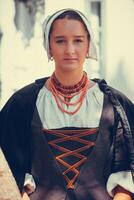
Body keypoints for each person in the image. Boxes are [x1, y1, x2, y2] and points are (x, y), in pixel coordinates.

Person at [0, 8, 134, 200]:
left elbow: (126, 175)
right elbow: (9, 173)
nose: (70, 50)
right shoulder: (23, 104)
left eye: (78, 40)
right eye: (60, 40)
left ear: (88, 45)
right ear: (49, 46)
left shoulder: (114, 105)